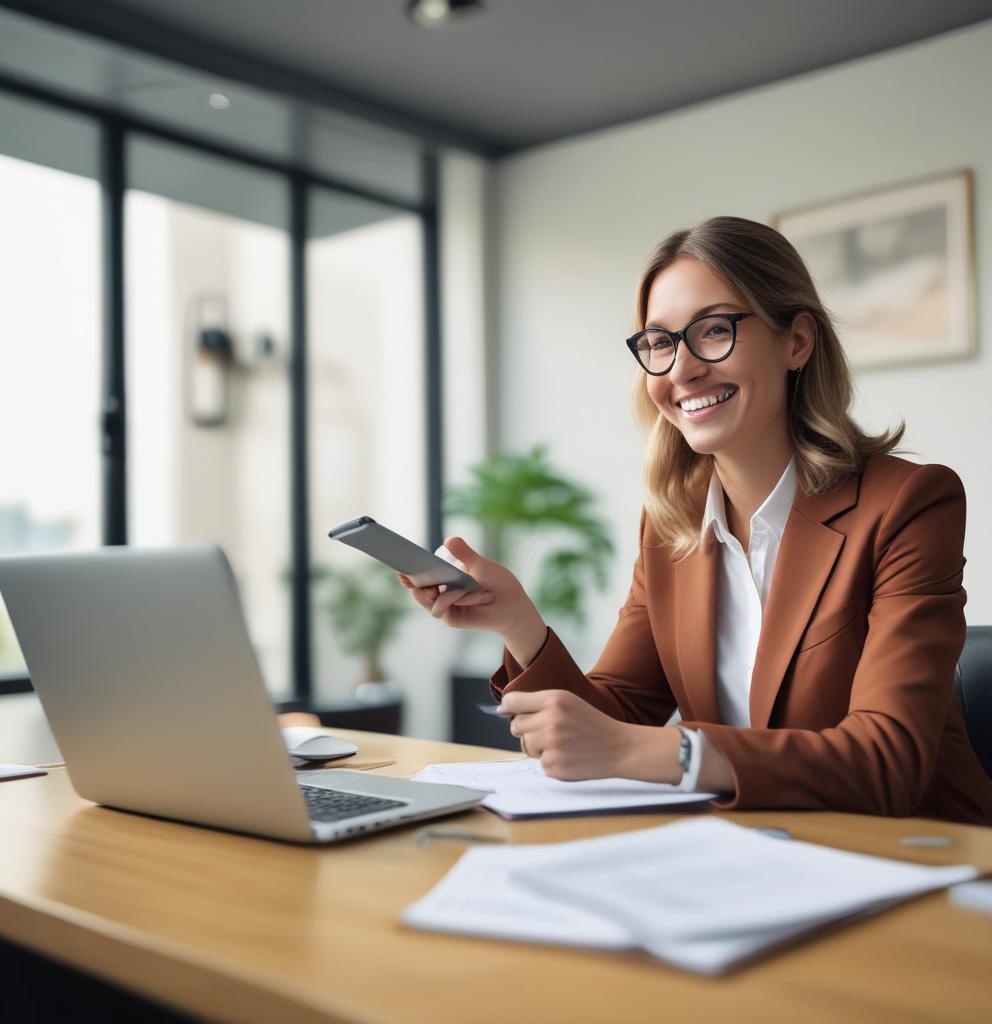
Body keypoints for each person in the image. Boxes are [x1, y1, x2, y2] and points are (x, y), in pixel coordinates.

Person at [400, 216, 992, 825]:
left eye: (713, 331)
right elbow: (614, 721)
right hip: (755, 849)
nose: (681, 370)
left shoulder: (908, 503)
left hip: (922, 859)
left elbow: (886, 762)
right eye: (659, 343)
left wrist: (664, 749)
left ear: (798, 342)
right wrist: (519, 625)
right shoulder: (671, 527)